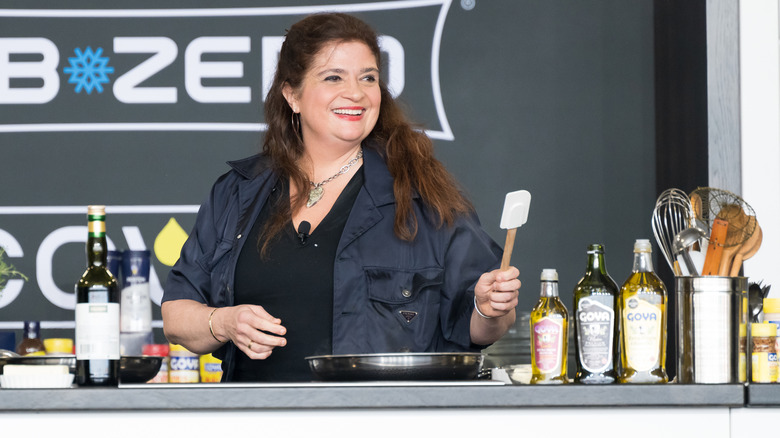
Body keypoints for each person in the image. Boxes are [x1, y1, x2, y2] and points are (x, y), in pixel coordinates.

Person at [161, 12, 520, 382]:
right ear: (292, 95)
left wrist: (490, 308)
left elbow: (482, 327)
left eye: (369, 78)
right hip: (255, 420)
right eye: (334, 77)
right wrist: (223, 321)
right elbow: (176, 315)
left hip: (377, 420)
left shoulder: (422, 194)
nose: (356, 93)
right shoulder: (237, 191)